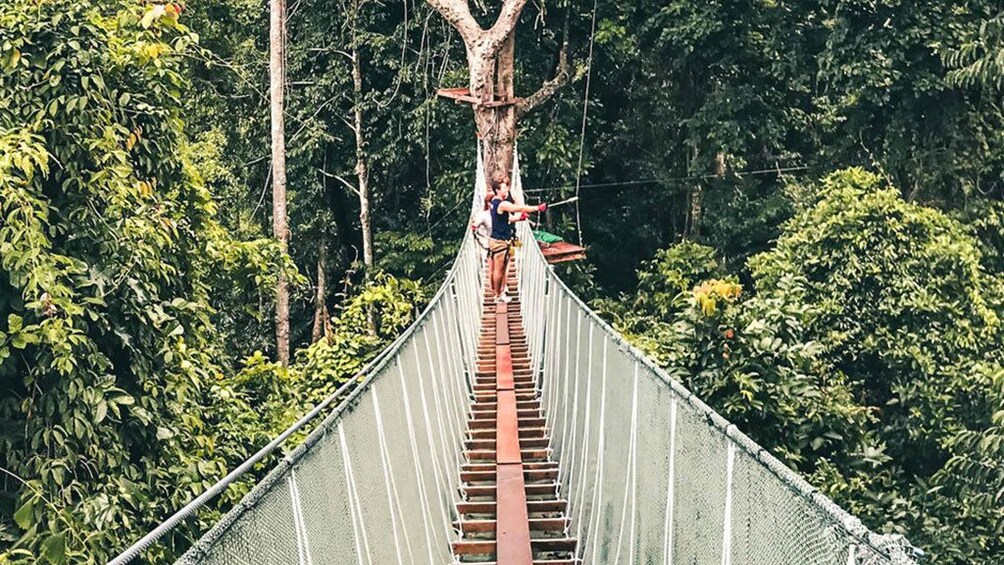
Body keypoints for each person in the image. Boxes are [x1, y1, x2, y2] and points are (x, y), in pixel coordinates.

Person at [488, 174, 546, 303]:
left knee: (501, 268)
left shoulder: (494, 203)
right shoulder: (502, 204)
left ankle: (499, 293)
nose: (506, 190)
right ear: (497, 190)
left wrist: (519, 218)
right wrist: (536, 208)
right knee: (499, 269)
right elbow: (518, 208)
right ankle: (498, 296)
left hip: (503, 240)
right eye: (504, 188)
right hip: (499, 241)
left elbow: (506, 219)